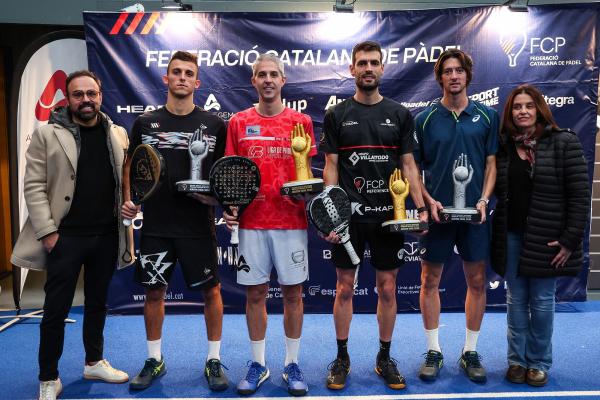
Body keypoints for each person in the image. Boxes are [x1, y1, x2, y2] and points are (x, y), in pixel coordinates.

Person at [11, 70, 132, 400]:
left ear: (100, 96)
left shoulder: (118, 133)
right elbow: (33, 187)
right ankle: (48, 376)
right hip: (64, 238)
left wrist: (129, 205)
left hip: (106, 236)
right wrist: (49, 233)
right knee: (55, 311)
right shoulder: (47, 135)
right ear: (69, 99)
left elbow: (125, 184)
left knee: (97, 304)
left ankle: (93, 361)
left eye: (91, 93)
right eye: (78, 95)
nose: (85, 100)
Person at [320, 40, 428, 390]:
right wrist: (330, 214)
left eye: (374, 63)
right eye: (362, 63)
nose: (368, 68)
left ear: (383, 69)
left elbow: (409, 165)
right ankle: (342, 357)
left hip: (388, 218)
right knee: (344, 288)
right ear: (352, 69)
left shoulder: (399, 114)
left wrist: (421, 207)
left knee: (387, 288)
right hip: (348, 220)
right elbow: (331, 167)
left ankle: (384, 357)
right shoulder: (337, 115)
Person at [121, 51, 228, 392]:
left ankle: (213, 360)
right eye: (176, 72)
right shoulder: (145, 123)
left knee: (212, 292)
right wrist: (129, 199)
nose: (182, 77)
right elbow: (130, 166)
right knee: (154, 294)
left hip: (198, 226)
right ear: (166, 79)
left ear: (197, 83)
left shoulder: (213, 125)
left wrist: (216, 199)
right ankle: (155, 359)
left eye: (188, 73)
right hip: (156, 227)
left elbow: (223, 173)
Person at [223, 53, 315, 396]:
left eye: (274, 74)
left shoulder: (301, 122)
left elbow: (306, 174)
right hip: (251, 224)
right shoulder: (238, 122)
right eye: (261, 74)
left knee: (293, 294)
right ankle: (258, 364)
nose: (268, 80)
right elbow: (231, 171)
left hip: (291, 222)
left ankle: (292, 363)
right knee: (256, 293)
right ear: (253, 81)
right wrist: (231, 205)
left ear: (283, 80)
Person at [491, 84, 589, 387]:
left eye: (528, 106)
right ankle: (517, 362)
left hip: (549, 239)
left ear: (539, 110)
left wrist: (570, 240)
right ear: (510, 113)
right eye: (517, 107)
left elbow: (580, 195)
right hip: (511, 236)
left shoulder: (563, 143)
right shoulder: (504, 147)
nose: (522, 111)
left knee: (543, 302)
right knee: (515, 300)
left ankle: (538, 362)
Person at [414, 49, 498, 383]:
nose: (454, 76)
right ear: (440, 77)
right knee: (429, 281)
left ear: (468, 75)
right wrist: (428, 200)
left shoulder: (487, 117)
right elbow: (413, 168)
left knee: (477, 281)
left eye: (459, 70)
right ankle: (434, 350)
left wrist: (484, 199)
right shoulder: (424, 119)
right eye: (447, 71)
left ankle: (470, 352)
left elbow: (492, 164)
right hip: (438, 217)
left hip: (475, 217)